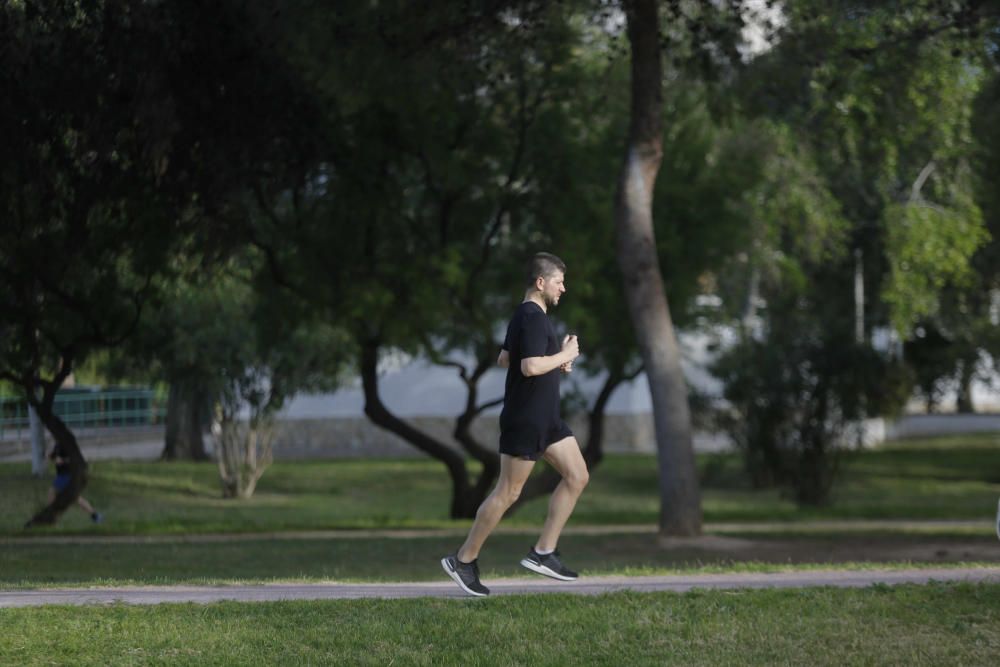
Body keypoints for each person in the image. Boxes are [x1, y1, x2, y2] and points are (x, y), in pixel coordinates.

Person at [441, 252, 587, 597]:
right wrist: (565, 356)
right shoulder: (532, 317)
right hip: (527, 419)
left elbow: (506, 358)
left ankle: (543, 552)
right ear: (541, 282)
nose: (563, 288)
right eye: (558, 281)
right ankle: (463, 560)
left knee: (578, 475)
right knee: (508, 492)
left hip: (547, 419)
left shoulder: (525, 315)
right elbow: (528, 367)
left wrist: (556, 362)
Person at [48, 442, 103, 524]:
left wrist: (62, 460)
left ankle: (52, 518)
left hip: (67, 475)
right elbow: (52, 457)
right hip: (61, 476)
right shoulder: (57, 445)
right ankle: (95, 515)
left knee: (53, 494)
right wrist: (50, 452)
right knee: (74, 498)